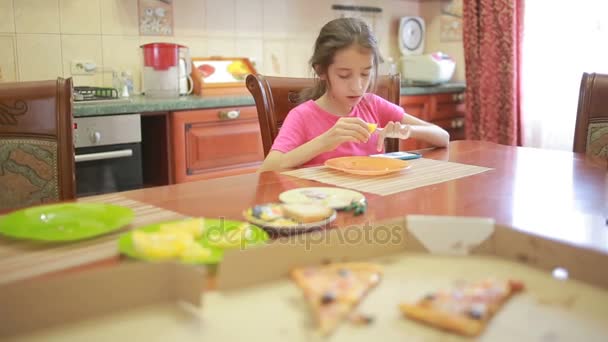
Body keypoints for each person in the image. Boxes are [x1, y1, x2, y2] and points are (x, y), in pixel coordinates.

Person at [259, 17, 449, 172]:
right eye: (344, 75)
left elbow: (443, 137)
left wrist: (406, 131)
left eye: (365, 73)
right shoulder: (303, 116)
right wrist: (325, 141)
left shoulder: (372, 105)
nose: (358, 87)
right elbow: (268, 168)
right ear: (321, 71)